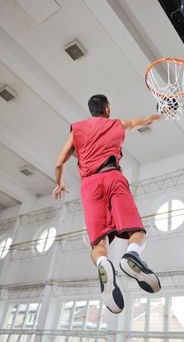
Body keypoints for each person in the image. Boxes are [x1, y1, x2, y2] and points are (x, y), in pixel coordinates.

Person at [52, 94, 161, 314]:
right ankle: (131, 255)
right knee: (137, 232)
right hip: (113, 176)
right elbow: (144, 120)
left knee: (98, 245)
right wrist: (161, 115)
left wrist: (59, 184)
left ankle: (104, 264)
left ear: (92, 110)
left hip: (90, 185)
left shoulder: (77, 130)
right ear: (107, 109)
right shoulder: (118, 124)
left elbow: (59, 162)